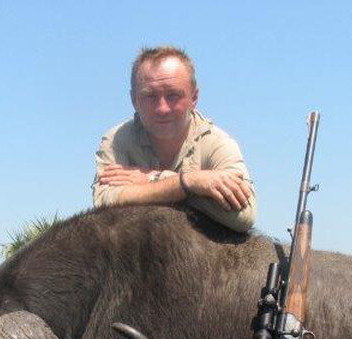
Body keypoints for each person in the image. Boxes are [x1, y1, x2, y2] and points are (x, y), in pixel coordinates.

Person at [92, 46, 257, 233]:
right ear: (133, 100)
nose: (162, 108)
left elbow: (244, 215)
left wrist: (153, 180)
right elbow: (104, 203)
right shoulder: (116, 139)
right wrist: (192, 184)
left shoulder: (218, 143)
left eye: (173, 95)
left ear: (194, 98)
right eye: (150, 96)